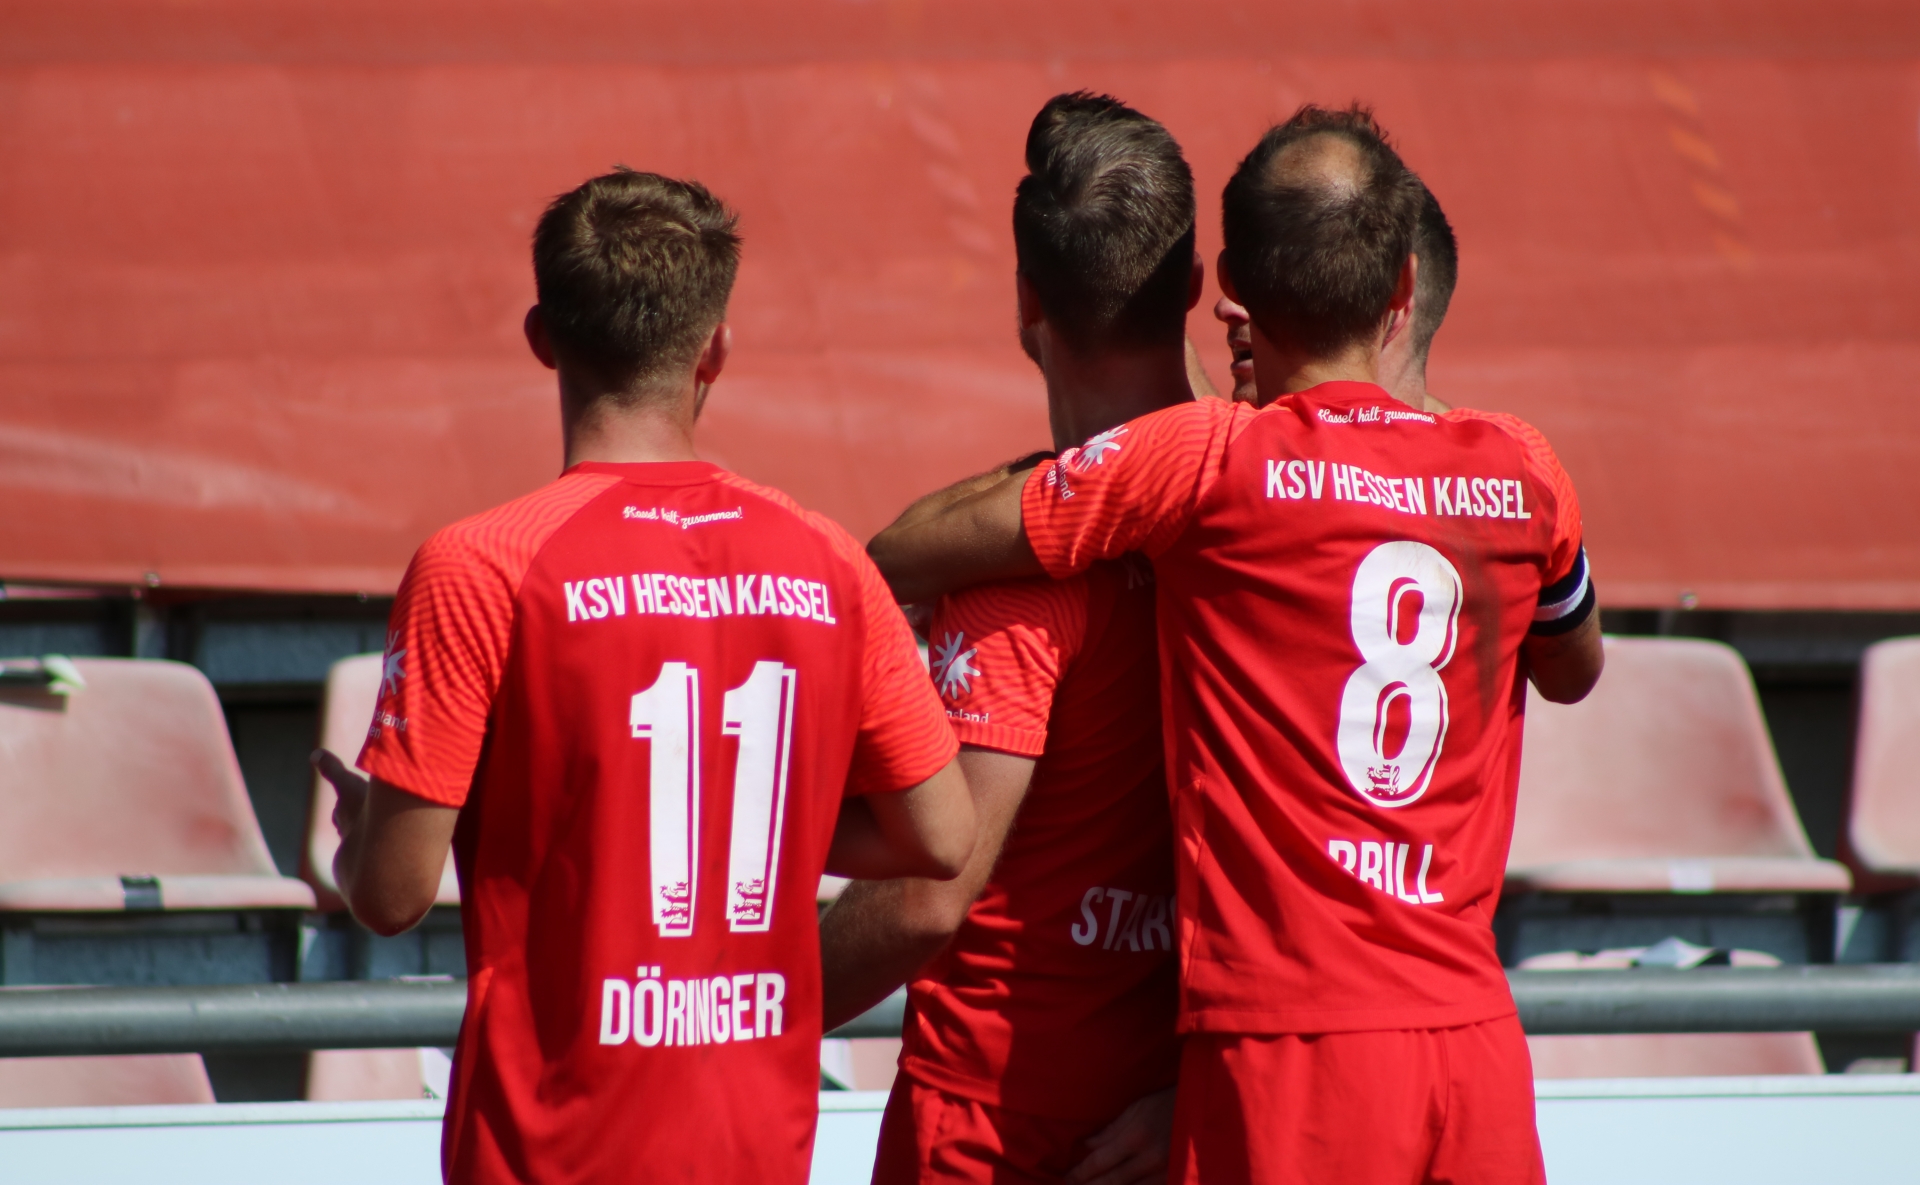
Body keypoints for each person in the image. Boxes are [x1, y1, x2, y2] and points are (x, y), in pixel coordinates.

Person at [868, 105, 1604, 1184]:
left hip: (1287, 1048)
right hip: (1473, 1039)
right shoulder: (1521, 463)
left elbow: (903, 551)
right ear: (1403, 287)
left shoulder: (1206, 461)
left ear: (1234, 299)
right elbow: (1576, 667)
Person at [313, 169, 976, 1185]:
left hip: (547, 1153)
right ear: (716, 348)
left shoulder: (481, 565)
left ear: (543, 337)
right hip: (755, 1147)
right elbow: (941, 836)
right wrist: (752, 815)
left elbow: (392, 897)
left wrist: (368, 830)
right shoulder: (827, 557)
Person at [819, 93, 1196, 1185]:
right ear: (1195, 287)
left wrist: (741, 1004)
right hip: (1198, 1104)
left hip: (994, 1128)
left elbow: (927, 898)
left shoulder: (1014, 581)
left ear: (1026, 301)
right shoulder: (1276, 521)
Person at [1219, 182, 1456, 412]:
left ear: (1393, 296)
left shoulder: (1218, 433)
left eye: (1280, 279)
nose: (1227, 306)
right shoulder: (1471, 435)